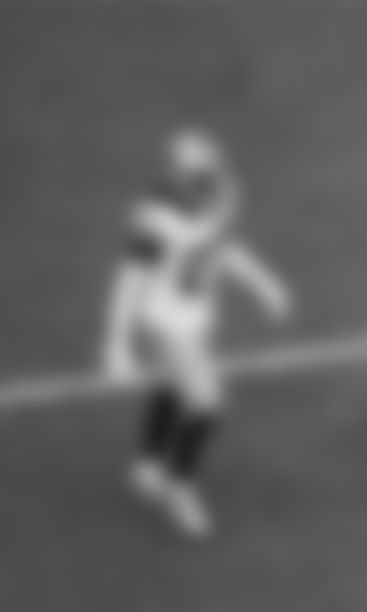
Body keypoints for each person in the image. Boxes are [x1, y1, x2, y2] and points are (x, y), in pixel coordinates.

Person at [100, 128, 294, 539]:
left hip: (194, 317)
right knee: (207, 403)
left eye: (210, 171)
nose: (209, 179)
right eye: (200, 173)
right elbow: (131, 276)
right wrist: (115, 343)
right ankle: (180, 486)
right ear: (179, 173)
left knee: (172, 388)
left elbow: (222, 249)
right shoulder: (153, 213)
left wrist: (265, 284)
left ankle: (148, 462)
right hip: (164, 321)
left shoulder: (213, 195)